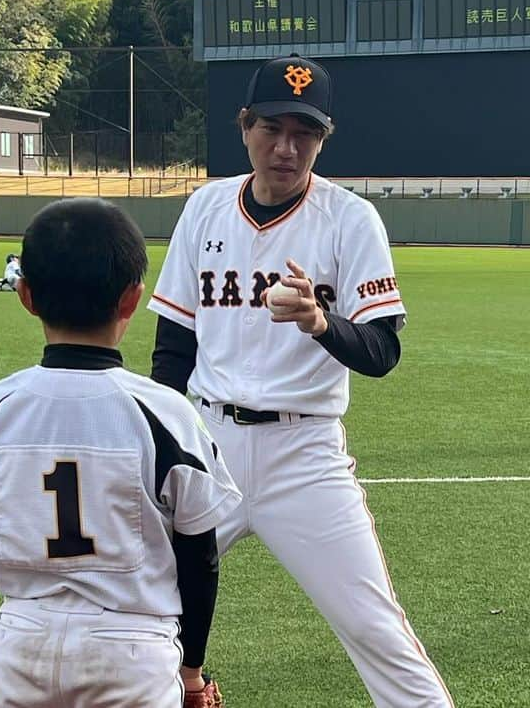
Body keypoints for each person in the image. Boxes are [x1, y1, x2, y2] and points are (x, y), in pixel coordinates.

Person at [149, 53, 454, 706]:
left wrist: (321, 322)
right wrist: (163, 445)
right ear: (244, 126)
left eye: (305, 133)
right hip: (210, 445)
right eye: (272, 128)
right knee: (134, 600)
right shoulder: (205, 208)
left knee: (376, 628)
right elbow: (173, 344)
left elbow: (382, 351)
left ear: (323, 138)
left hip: (304, 455)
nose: (286, 148)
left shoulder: (348, 219)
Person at [0, 197, 240, 707]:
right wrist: (191, 669)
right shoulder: (165, 413)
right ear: (132, 299)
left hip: (23, 643)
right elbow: (200, 559)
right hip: (132, 650)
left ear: (27, 295)